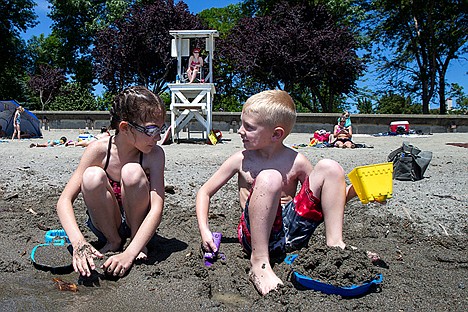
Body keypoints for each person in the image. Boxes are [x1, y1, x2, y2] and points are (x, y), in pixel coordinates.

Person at [196, 90, 356, 296]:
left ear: (276, 134)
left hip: (292, 233)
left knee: (330, 167)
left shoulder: (296, 161)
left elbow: (320, 200)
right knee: (269, 177)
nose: (240, 131)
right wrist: (204, 230)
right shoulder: (242, 159)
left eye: (249, 127)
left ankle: (335, 244)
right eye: (241, 124)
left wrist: (355, 193)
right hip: (255, 236)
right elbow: (205, 192)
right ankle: (259, 262)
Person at [56, 86, 167, 278]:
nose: (159, 137)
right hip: (107, 222)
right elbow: (64, 200)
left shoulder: (154, 155)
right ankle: (113, 240)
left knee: (131, 172)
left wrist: (130, 253)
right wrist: (79, 242)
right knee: (91, 176)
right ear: (125, 127)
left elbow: (157, 207)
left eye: (161, 128)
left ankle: (136, 241)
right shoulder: (98, 150)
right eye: (151, 129)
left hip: (139, 225)